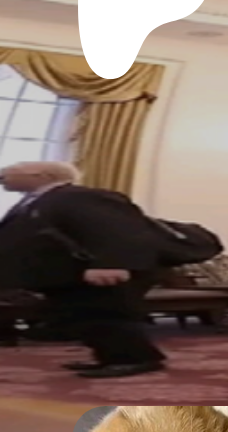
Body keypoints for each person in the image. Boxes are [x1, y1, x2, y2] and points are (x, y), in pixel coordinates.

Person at [0, 161, 170, 378]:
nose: (2, 179)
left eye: (6, 174)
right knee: (84, 317)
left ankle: (134, 359)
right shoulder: (41, 200)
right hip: (67, 274)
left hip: (95, 272)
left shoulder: (80, 196)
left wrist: (110, 263)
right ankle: (109, 357)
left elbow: (116, 231)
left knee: (105, 316)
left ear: (41, 175)